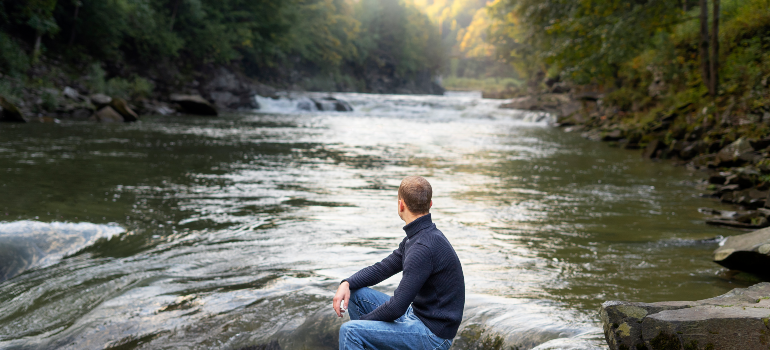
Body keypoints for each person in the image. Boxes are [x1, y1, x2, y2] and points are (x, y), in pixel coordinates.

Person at [333, 176, 465, 350]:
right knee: (355, 295)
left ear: (400, 204)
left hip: (433, 336)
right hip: (418, 316)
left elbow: (396, 308)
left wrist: (363, 326)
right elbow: (382, 269)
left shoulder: (422, 248)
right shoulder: (420, 237)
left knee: (351, 332)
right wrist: (347, 282)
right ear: (430, 204)